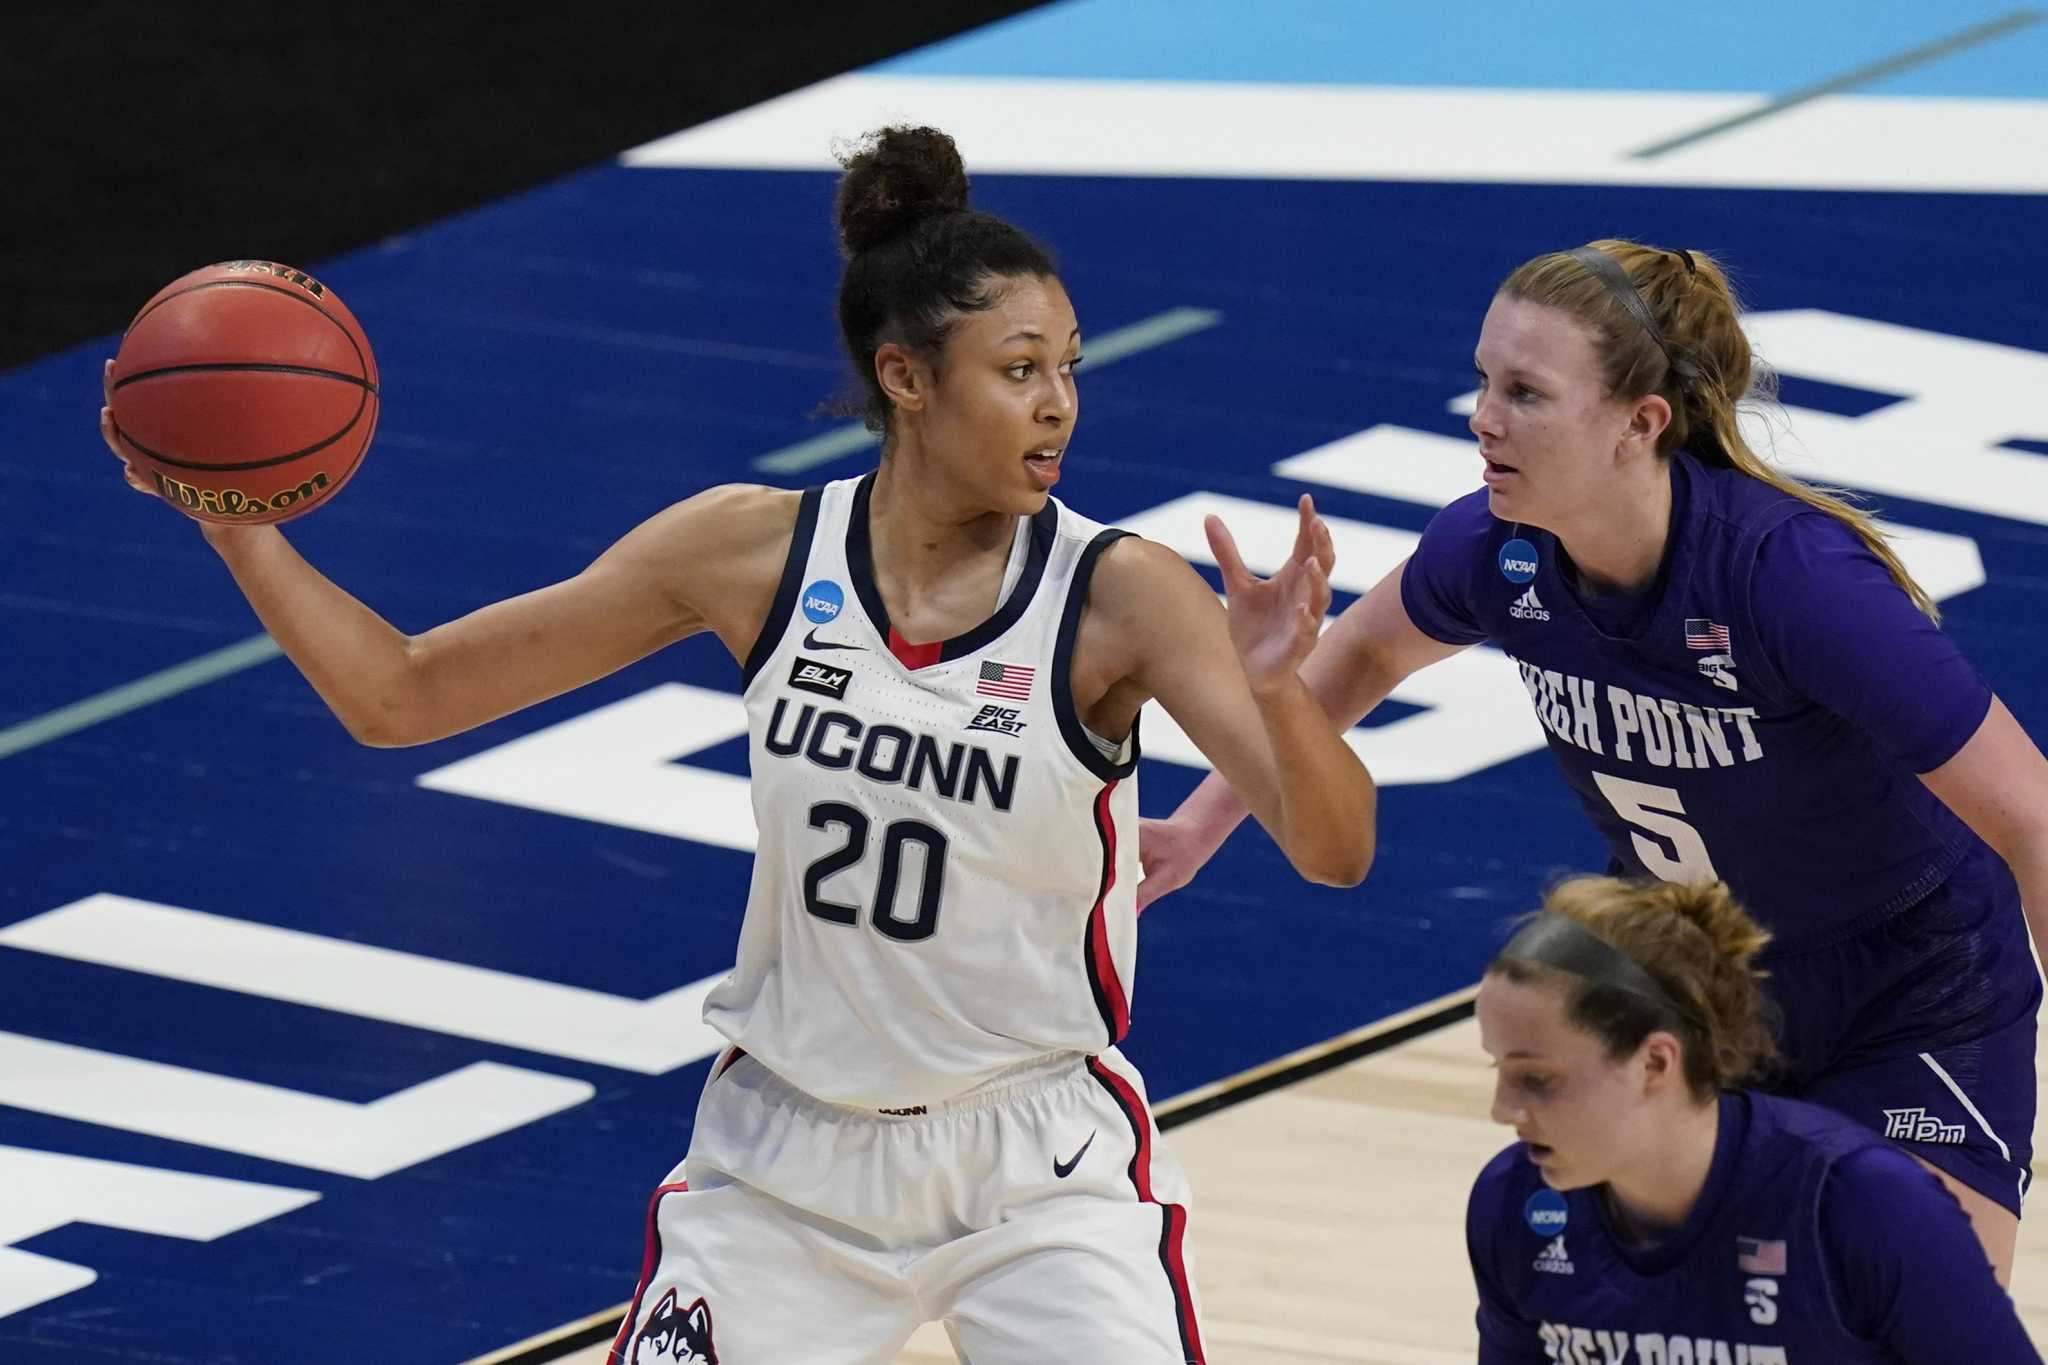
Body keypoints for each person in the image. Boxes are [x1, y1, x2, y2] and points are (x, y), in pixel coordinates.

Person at [100, 125, 1376, 1364]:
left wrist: (1275, 696)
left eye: (1067, 367)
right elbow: (403, 695)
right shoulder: (749, 552)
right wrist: (236, 526)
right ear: (905, 377)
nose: (1058, 406)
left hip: (1035, 1168)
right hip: (780, 1169)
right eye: (1020, 368)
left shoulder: (1121, 596)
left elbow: (1333, 851)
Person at [1139, 238, 2048, 1280]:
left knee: (1905, 1317)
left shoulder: (1788, 579)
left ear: (1639, 422)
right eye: (1482, 381)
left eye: (1523, 392)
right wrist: (1202, 824)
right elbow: (1362, 651)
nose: (1481, 416)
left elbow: (2027, 813)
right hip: (1692, 993)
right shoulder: (1497, 549)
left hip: (1907, 990)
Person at [1468, 875, 2040, 1363]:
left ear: (1654, 1061)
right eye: (1498, 1069)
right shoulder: (1515, 1204)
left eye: (1536, 1078)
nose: (1502, 1110)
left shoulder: (1860, 1203)